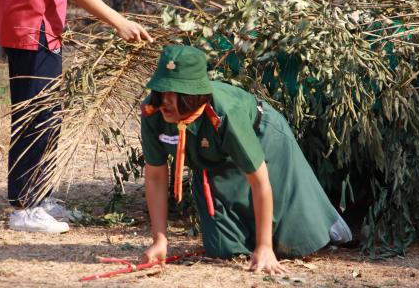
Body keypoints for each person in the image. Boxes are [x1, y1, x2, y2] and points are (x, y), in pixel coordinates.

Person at [0, 0, 153, 234]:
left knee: (43, 116)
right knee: (39, 119)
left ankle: (39, 196)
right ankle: (26, 208)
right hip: (35, 26)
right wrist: (119, 21)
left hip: (21, 21)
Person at [140, 45, 352, 274]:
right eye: (162, 90)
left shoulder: (225, 115)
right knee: (222, 248)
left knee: (293, 239)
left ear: (196, 94)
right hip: (213, 156)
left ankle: (329, 225)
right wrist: (159, 240)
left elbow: (259, 182)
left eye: (176, 93)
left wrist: (264, 247)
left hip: (263, 137)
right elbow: (156, 177)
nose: (165, 101)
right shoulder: (153, 111)